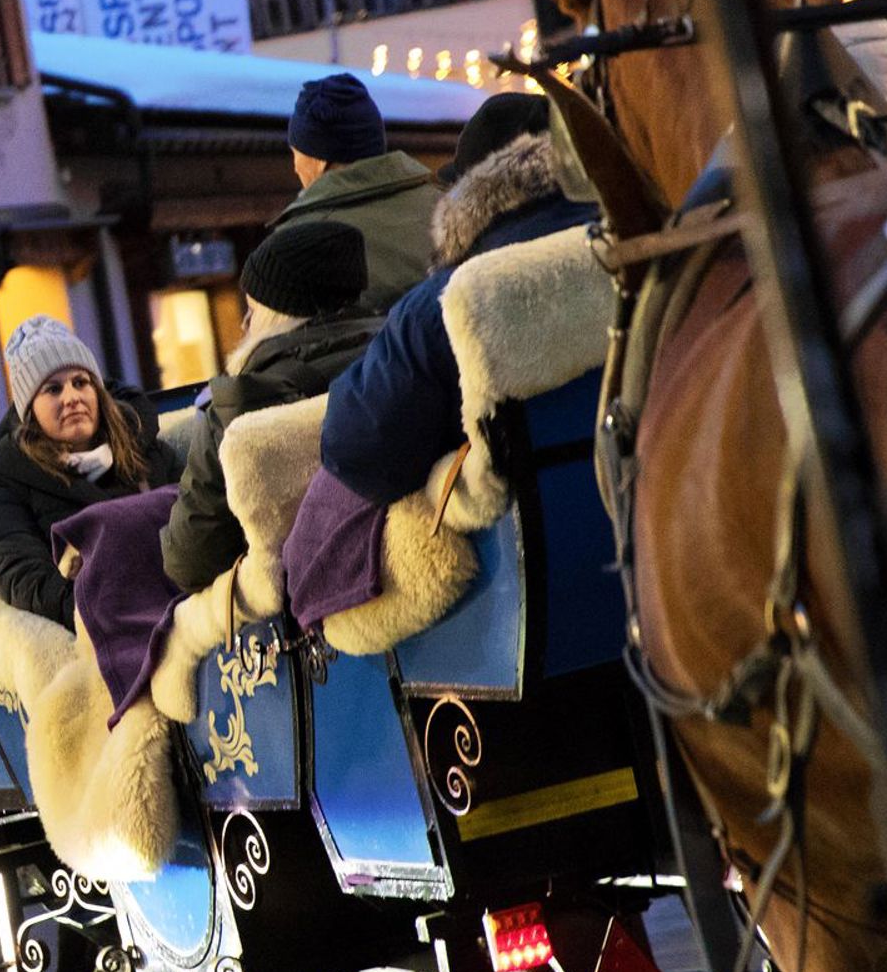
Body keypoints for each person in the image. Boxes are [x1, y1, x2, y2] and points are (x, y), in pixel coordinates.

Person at [288, 95, 593, 629]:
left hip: (527, 583)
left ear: (473, 193)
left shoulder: (449, 304)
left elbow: (358, 451)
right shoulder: (630, 247)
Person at [160, 220, 381, 593]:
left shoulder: (241, 403)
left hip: (295, 599)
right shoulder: (393, 356)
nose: (246, 322)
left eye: (252, 308)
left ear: (281, 312)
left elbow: (190, 560)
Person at [0, 316, 184, 630]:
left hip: (183, 603)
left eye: (81, 382)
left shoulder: (147, 450)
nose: (72, 397)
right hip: (101, 627)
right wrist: (96, 611)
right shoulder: (10, 479)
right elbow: (21, 576)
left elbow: (196, 518)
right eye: (53, 389)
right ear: (29, 410)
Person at [272, 72, 443, 315]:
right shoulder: (445, 205)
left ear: (319, 159)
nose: (295, 167)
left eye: (296, 153)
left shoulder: (301, 239)